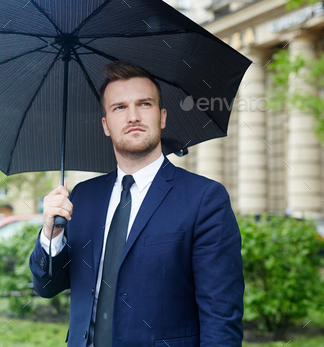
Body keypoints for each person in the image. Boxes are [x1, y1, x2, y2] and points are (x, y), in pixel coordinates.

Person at [29, 61, 244, 347]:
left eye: (144, 104)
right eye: (119, 107)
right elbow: (47, 287)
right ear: (106, 125)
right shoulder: (82, 196)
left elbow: (221, 317)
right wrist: (50, 235)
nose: (133, 116)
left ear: (162, 116)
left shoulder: (204, 199)